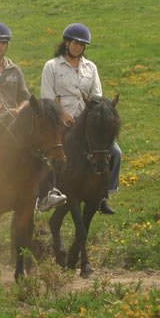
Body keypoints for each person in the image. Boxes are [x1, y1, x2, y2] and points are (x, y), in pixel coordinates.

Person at [0, 22, 66, 217]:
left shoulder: (15, 70)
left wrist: (19, 109)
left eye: (3, 43)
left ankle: (46, 193)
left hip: (11, 125)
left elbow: (25, 97)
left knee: (38, 149)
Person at [40, 22, 122, 215]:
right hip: (62, 121)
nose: (78, 47)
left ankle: (104, 194)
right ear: (66, 43)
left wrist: (90, 117)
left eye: (81, 44)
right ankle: (47, 192)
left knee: (115, 152)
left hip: (86, 122)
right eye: (75, 43)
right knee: (49, 154)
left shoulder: (90, 68)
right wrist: (62, 114)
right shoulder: (51, 67)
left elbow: (97, 97)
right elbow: (47, 97)